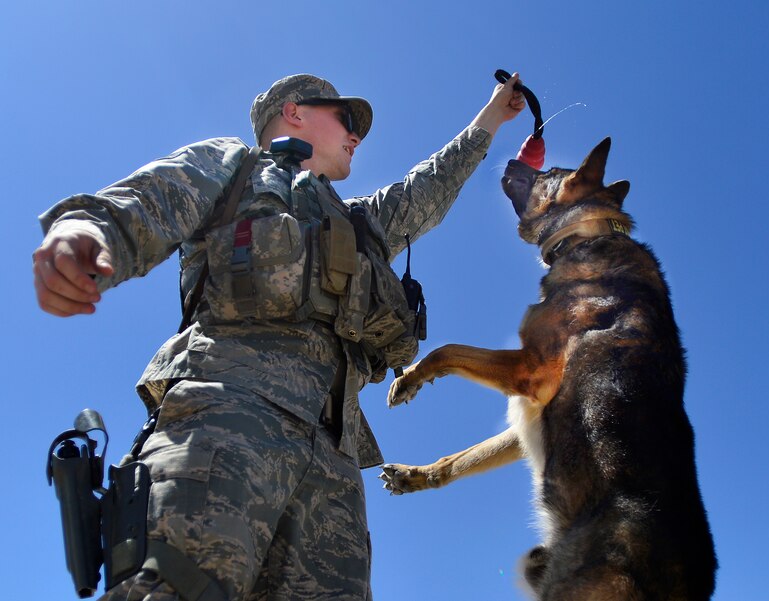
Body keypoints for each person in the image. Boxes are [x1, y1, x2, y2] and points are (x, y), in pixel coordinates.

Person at [33, 72, 526, 601]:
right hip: (226, 416)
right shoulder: (235, 168)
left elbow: (430, 186)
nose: (356, 136)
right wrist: (85, 232)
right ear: (293, 112)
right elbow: (153, 198)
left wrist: (493, 116)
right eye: (345, 119)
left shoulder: (361, 223)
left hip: (334, 467)